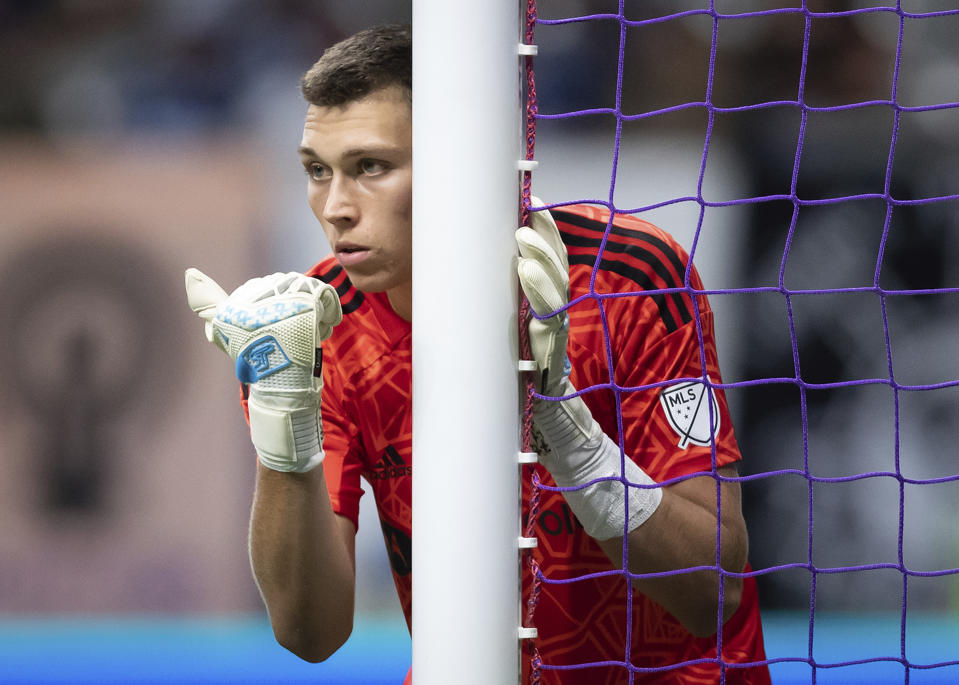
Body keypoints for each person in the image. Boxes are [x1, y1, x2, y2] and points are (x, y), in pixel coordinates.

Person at [185, 24, 770, 684]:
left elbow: (710, 593)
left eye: (370, 167)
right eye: (317, 171)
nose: (336, 207)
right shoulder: (313, 328)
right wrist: (283, 423)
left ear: (460, 162)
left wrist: (564, 430)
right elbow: (310, 633)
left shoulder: (629, 277)